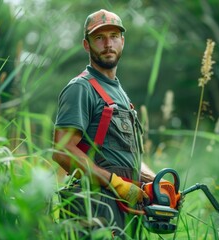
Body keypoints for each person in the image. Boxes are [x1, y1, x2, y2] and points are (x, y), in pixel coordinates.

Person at [52, 9, 156, 238]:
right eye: (99, 38)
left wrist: (156, 183)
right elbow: (62, 152)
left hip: (127, 207)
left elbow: (123, 156)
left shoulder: (120, 93)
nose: (108, 43)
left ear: (123, 41)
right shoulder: (81, 88)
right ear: (86, 45)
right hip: (97, 206)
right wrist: (114, 182)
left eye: (114, 36)